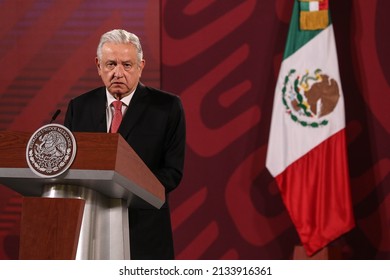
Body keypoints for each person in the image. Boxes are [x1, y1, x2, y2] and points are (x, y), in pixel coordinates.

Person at [64, 29, 186, 260]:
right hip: (89, 226)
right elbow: (70, 167)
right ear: (99, 66)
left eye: (127, 65)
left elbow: (172, 172)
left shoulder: (167, 107)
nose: (118, 73)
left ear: (141, 66)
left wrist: (124, 191)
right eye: (111, 64)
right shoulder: (79, 107)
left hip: (144, 229)